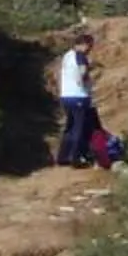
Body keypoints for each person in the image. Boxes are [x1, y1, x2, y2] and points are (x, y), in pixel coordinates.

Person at [57, 32, 98, 167]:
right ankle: (76, 158)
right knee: (78, 128)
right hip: (78, 95)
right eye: (89, 46)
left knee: (70, 127)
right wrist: (85, 79)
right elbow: (81, 72)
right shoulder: (80, 56)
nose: (90, 49)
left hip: (66, 96)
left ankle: (63, 157)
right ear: (83, 44)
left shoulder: (67, 56)